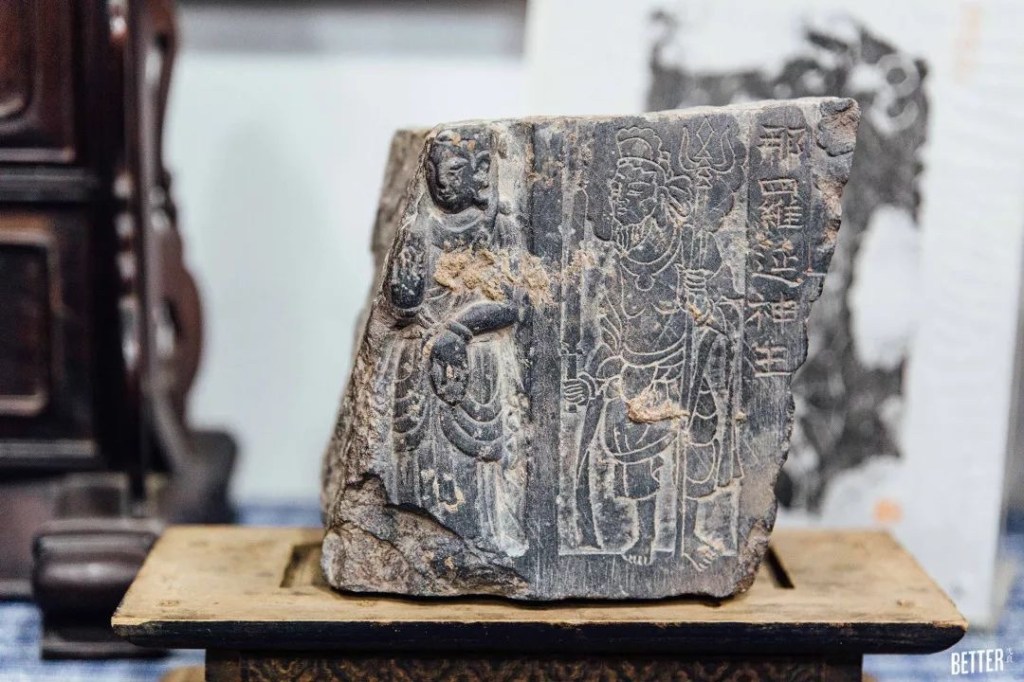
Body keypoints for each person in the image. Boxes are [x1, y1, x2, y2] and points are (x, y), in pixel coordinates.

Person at [384, 128, 528, 558]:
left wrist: (460, 329)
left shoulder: (498, 226)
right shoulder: (421, 226)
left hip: (474, 360)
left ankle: (481, 547)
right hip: (420, 357)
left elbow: (514, 304)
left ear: (479, 171)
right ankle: (416, 543)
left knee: (477, 462)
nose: (440, 181)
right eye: (433, 171)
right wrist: (406, 275)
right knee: (415, 455)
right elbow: (403, 304)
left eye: (451, 169)